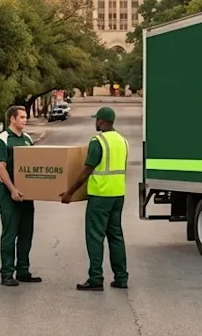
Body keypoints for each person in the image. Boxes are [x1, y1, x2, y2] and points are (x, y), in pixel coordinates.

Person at [61, 106, 129, 291]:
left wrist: (70, 192)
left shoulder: (98, 141)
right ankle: (121, 277)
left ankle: (96, 279)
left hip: (100, 196)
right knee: (116, 236)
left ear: (101, 121)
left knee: (95, 237)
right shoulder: (123, 141)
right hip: (118, 196)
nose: (95, 123)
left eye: (96, 120)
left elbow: (86, 170)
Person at [0, 105, 41, 287]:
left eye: (25, 117)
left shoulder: (27, 139)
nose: (25, 120)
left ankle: (23, 270)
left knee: (26, 232)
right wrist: (12, 189)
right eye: (21, 117)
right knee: (10, 233)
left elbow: (34, 166)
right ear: (12, 119)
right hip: (9, 193)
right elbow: (0, 166)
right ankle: (6, 273)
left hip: (27, 194)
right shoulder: (2, 140)